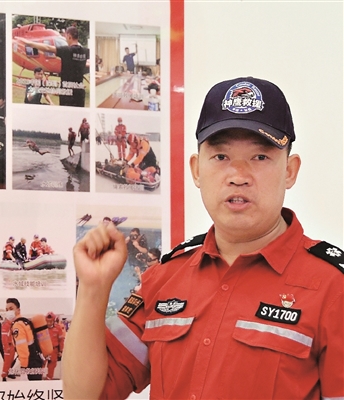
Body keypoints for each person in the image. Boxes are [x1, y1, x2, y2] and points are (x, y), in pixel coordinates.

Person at [63, 77, 344, 400]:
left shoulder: (333, 289)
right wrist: (93, 290)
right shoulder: (164, 278)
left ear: (290, 171)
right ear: (197, 170)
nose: (238, 176)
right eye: (221, 157)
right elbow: (87, 395)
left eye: (260, 157)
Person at [21, 27, 89, 107]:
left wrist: (29, 43)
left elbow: (47, 48)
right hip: (79, 90)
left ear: (69, 36)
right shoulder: (86, 51)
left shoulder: (66, 50)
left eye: (65, 37)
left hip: (66, 90)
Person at [6, 298, 44, 380]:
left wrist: (23, 368)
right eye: (7, 310)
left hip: (30, 363)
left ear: (18, 310)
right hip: (36, 359)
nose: (8, 312)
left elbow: (22, 348)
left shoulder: (17, 325)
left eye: (11, 309)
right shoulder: (24, 321)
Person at [44, 312, 65, 380]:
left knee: (51, 367)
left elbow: (61, 340)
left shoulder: (58, 328)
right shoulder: (43, 328)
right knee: (41, 366)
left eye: (51, 321)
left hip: (54, 350)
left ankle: (49, 379)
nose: (49, 323)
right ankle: (39, 380)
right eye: (47, 321)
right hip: (44, 350)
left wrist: (60, 351)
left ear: (54, 321)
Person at [1, 312, 16, 381]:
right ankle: (4, 376)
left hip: (12, 346)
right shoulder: (6, 325)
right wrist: (6, 347)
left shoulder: (10, 325)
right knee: (7, 362)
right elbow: (4, 338)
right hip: (8, 346)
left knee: (11, 361)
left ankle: (9, 373)